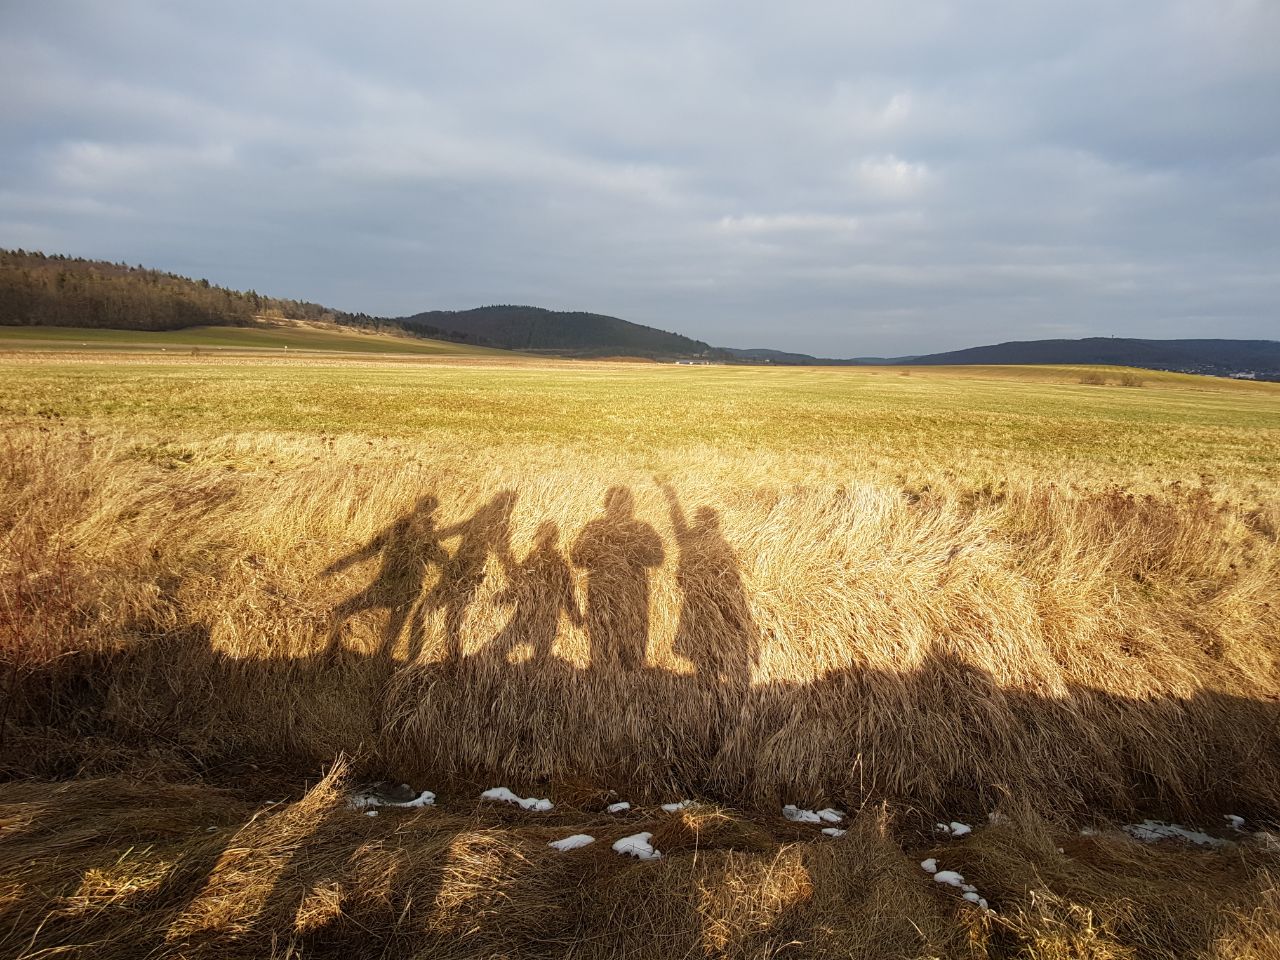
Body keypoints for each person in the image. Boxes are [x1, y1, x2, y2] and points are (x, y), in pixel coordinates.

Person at [570, 487, 663, 671]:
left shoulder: (597, 527)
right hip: (615, 594)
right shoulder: (639, 528)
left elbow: (576, 558)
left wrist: (618, 555)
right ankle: (614, 672)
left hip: (620, 595)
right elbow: (577, 557)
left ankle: (611, 671)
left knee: (615, 633)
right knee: (610, 632)